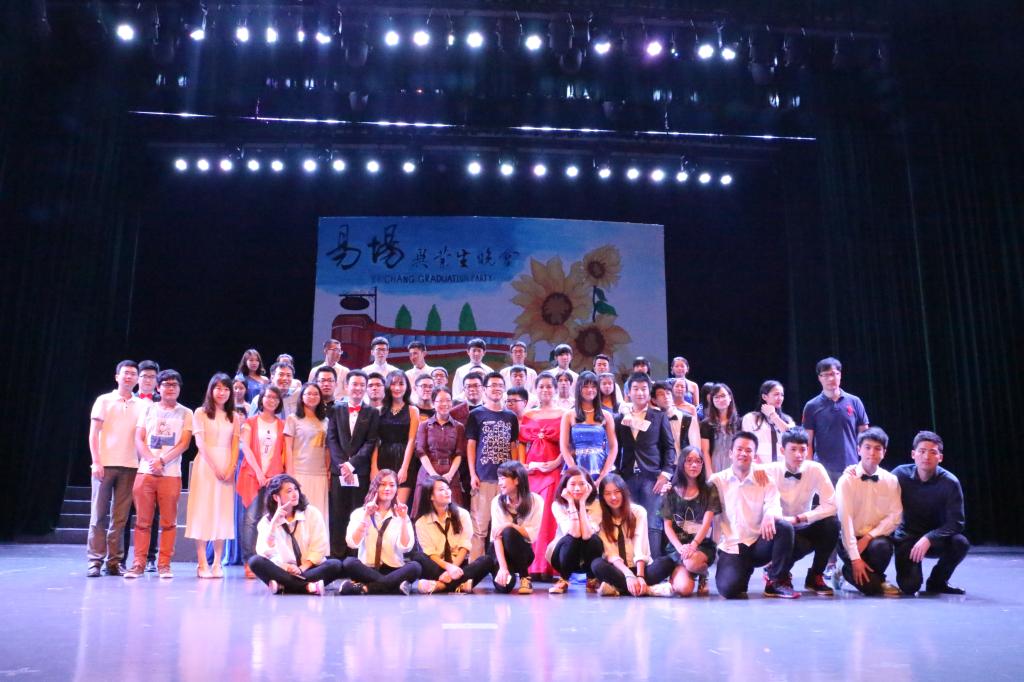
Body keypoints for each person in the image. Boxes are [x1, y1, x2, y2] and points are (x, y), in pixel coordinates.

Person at [710, 431, 799, 599]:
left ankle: (776, 581)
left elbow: (774, 504)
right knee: (728, 590)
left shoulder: (764, 478)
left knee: (784, 528)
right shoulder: (717, 481)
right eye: (739, 449)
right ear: (730, 453)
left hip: (759, 543)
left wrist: (770, 514)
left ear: (755, 455)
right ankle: (743, 570)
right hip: (732, 545)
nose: (743, 453)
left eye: (749, 450)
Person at [126, 370, 192, 579]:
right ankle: (138, 563)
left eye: (174, 385)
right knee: (142, 522)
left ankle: (164, 564)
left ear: (179, 388)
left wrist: (162, 461)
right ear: (158, 387)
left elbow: (184, 443)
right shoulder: (148, 409)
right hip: (146, 471)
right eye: (166, 384)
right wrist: (151, 460)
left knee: (169, 523)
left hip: (170, 473)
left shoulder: (186, 413)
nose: (170, 388)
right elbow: (139, 438)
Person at [761, 427, 841, 595]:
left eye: (803, 450)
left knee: (832, 524)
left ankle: (815, 576)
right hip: (778, 530)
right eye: (793, 449)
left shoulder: (815, 469)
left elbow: (832, 505)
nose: (798, 454)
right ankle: (776, 577)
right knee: (786, 529)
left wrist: (800, 518)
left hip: (802, 526)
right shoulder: (768, 470)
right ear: (782, 450)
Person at [893, 430, 970, 595]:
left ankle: (937, 582)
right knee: (909, 586)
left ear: (940, 457)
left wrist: (929, 538)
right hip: (907, 537)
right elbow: (878, 484)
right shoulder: (900, 474)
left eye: (933, 452)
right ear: (913, 454)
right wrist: (854, 471)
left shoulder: (950, 482)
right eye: (922, 451)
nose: (926, 456)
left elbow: (957, 522)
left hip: (936, 539)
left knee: (960, 543)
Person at [86, 360, 144, 577]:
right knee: (98, 515)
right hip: (105, 464)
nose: (129, 377)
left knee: (120, 518)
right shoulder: (104, 400)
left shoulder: (142, 405)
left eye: (133, 374)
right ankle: (95, 561)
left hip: (130, 466)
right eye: (125, 373)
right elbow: (93, 433)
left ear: (137, 379)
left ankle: (114, 562)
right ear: (117, 377)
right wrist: (96, 461)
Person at [835, 427, 902, 597]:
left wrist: (868, 537)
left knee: (883, 547)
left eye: (878, 448)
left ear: (884, 452)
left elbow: (895, 516)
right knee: (872, 589)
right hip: (848, 539)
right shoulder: (847, 480)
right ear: (858, 450)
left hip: (874, 539)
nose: (872, 452)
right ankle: (844, 571)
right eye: (867, 447)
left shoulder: (891, 480)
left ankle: (871, 577)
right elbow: (845, 521)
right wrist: (855, 559)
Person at [248, 474, 343, 595]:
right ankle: (307, 587)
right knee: (255, 561)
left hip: (309, 569)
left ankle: (284, 586)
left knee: (335, 565)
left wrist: (301, 569)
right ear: (276, 497)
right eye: (289, 491)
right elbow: (264, 552)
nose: (295, 494)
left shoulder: (312, 513)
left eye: (296, 489)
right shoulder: (266, 522)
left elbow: (319, 548)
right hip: (282, 570)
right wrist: (273, 525)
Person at [614, 373, 675, 559]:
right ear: (628, 392)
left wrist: (666, 474)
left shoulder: (659, 416)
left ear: (649, 393)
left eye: (643, 389)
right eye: (635, 389)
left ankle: (653, 565)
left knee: (652, 523)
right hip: (626, 478)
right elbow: (615, 448)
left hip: (652, 478)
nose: (640, 393)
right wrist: (616, 476)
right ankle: (631, 564)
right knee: (628, 521)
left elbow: (669, 448)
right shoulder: (619, 418)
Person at [185, 373, 240, 578]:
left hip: (227, 465)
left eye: (226, 389)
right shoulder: (200, 413)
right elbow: (200, 443)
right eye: (218, 388)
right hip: (206, 465)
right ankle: (202, 563)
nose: (222, 392)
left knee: (222, 512)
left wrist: (231, 467)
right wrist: (216, 468)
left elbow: (235, 445)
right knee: (203, 510)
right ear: (211, 390)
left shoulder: (234, 415)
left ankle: (217, 563)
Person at [590, 473, 674, 597]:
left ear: (624, 491)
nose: (613, 497)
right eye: (607, 493)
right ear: (602, 496)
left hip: (640, 568)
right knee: (597, 565)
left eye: (617, 492)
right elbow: (610, 553)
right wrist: (628, 575)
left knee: (667, 562)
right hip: (618, 569)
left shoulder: (638, 512)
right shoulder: (600, 516)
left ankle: (617, 589)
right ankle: (649, 590)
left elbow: (640, 546)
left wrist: (640, 576)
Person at [325, 370, 380, 559]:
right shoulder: (336, 409)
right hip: (339, 471)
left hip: (361, 472)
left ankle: (355, 556)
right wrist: (343, 465)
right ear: (346, 386)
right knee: (338, 513)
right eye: (354, 384)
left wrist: (352, 465)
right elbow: (331, 439)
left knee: (358, 513)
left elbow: (371, 442)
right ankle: (337, 556)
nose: (358, 388)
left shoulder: (372, 412)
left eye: (362, 385)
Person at [339, 470, 422, 594]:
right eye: (382, 484)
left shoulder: (401, 514)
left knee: (415, 566)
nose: (387, 488)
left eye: (392, 485)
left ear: (396, 489)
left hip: (394, 570)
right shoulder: (360, 513)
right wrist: (366, 516)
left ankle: (366, 588)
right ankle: (393, 586)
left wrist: (404, 519)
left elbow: (405, 548)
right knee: (349, 563)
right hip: (367, 570)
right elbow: (352, 543)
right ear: (375, 487)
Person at [466, 372, 520, 560]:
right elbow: (471, 445)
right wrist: (473, 474)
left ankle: (504, 568)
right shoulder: (475, 414)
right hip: (484, 477)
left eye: (500, 385)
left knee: (505, 528)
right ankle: (474, 570)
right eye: (492, 385)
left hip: (507, 480)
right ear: (484, 389)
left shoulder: (511, 417)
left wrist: (515, 474)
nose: (497, 388)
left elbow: (513, 446)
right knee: (479, 528)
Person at [410, 476, 494, 593]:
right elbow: (431, 553)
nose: (447, 492)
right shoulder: (421, 522)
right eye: (441, 490)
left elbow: (464, 547)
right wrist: (448, 568)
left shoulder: (462, 514)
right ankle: (460, 585)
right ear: (431, 496)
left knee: (487, 560)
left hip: (459, 565)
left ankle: (440, 586)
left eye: (448, 488)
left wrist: (453, 568)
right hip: (437, 566)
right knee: (418, 557)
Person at [517, 372, 564, 579]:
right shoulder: (528, 414)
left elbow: (568, 444)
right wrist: (523, 465)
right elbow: (521, 442)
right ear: (535, 389)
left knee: (549, 517)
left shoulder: (564, 413)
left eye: (549, 386)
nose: (545, 390)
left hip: (552, 468)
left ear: (555, 389)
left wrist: (556, 462)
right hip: (532, 471)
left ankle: (549, 565)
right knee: (532, 515)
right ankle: (532, 566)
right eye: (541, 386)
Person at [237, 386, 285, 577]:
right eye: (268, 396)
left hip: (274, 478)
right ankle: (250, 562)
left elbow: (282, 453)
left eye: (275, 398)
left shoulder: (282, 424)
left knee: (269, 519)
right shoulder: (250, 422)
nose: (272, 400)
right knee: (250, 519)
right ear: (261, 399)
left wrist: (275, 476)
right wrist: (259, 473)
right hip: (252, 475)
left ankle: (267, 562)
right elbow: (246, 448)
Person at [661, 446, 720, 596]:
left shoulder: (709, 489)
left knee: (692, 563)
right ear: (682, 463)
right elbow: (667, 526)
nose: (694, 465)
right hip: (678, 548)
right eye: (689, 461)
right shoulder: (670, 491)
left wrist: (693, 546)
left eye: (698, 461)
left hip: (701, 545)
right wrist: (681, 548)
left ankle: (703, 574)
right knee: (684, 589)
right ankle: (680, 573)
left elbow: (707, 523)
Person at [802, 357, 870, 481]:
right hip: (823, 470)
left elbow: (865, 436)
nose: (830, 379)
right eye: (825, 375)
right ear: (819, 378)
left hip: (852, 467)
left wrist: (864, 464)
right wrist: (810, 469)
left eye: (834, 374)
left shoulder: (854, 401)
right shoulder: (811, 406)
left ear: (840, 375)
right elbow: (808, 442)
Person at [488, 461, 545, 594]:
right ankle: (502, 570)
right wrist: (503, 568)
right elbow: (496, 536)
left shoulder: (535, 501)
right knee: (504, 587)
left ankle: (525, 577)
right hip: (500, 553)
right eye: (499, 479)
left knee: (509, 531)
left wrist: (510, 525)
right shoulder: (497, 502)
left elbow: (531, 535)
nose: (500, 483)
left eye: (503, 478)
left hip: (522, 553)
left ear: (517, 480)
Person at [546, 467, 604, 594]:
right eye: (572, 484)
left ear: (589, 486)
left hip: (587, 557)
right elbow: (574, 533)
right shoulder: (557, 505)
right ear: (565, 487)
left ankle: (591, 579)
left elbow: (587, 535)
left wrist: (582, 503)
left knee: (593, 539)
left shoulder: (597, 505)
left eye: (582, 484)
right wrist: (571, 503)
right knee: (571, 539)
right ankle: (563, 579)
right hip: (562, 556)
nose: (577, 489)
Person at [284, 382, 331, 536]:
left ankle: (318, 547)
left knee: (318, 514)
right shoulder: (293, 419)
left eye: (316, 394)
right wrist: (290, 474)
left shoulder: (325, 421)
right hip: (299, 472)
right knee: (299, 513)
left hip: (320, 474)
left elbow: (327, 449)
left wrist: (328, 470)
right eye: (308, 394)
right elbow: (287, 447)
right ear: (302, 397)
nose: (312, 397)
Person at [413, 386, 466, 510]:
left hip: (450, 474)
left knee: (452, 513)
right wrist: (433, 475)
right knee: (426, 512)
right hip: (428, 472)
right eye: (440, 401)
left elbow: (459, 454)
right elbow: (421, 452)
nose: (445, 404)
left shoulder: (459, 427)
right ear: (433, 403)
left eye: (448, 400)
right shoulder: (424, 425)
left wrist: (450, 475)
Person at [561, 371, 618, 481]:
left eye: (593, 386)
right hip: (576, 466)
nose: (590, 390)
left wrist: (603, 475)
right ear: (579, 388)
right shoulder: (568, 415)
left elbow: (613, 447)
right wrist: (575, 471)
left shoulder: (606, 415)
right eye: (586, 386)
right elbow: (564, 446)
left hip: (600, 466)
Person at [374, 370, 421, 504]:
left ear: (407, 387)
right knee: (382, 504)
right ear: (388, 386)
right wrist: (374, 468)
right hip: (383, 457)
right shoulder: (379, 410)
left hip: (404, 458)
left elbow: (412, 440)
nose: (397, 388)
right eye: (393, 384)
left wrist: (404, 468)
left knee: (399, 506)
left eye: (401, 384)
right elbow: (375, 441)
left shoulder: (413, 410)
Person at [742, 380, 796, 464]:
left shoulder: (787, 420)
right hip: (759, 464)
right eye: (776, 394)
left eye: (782, 395)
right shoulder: (750, 418)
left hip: (782, 465)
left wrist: (773, 416)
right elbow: (746, 442)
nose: (780, 398)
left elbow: (792, 436)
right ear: (764, 397)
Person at [652, 381, 701, 463]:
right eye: (661, 394)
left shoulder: (689, 419)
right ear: (654, 400)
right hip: (659, 465)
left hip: (682, 465)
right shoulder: (652, 420)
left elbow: (696, 448)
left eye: (668, 393)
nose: (666, 397)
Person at [700, 382, 741, 473]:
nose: (720, 399)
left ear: (730, 397)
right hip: (714, 466)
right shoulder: (706, 424)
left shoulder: (739, 422)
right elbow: (705, 452)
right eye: (716, 397)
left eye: (723, 396)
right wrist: (709, 473)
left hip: (735, 466)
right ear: (712, 400)